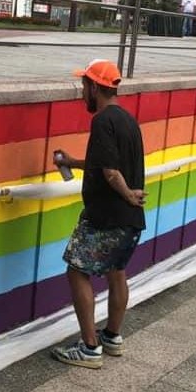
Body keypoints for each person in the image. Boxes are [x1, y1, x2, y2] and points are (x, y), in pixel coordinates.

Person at [51, 59, 146, 369]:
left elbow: (109, 171)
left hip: (105, 216)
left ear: (95, 87)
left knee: (76, 270)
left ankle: (90, 348)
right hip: (129, 221)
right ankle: (112, 337)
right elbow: (102, 162)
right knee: (116, 271)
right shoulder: (128, 121)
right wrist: (73, 162)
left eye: (84, 86)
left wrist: (128, 194)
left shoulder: (102, 121)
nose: (82, 92)